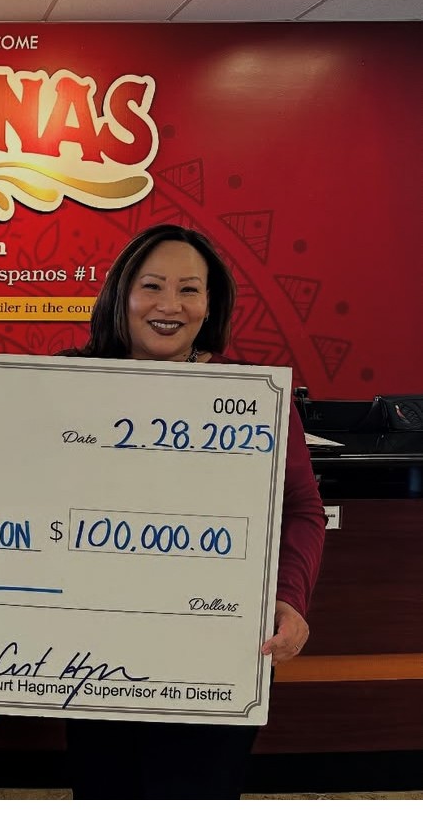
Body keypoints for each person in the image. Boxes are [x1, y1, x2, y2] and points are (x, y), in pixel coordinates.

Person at [59, 222, 327, 799]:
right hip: (89, 653)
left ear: (210, 305)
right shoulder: (62, 385)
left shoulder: (253, 397)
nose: (170, 305)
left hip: (213, 652)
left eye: (189, 290)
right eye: (152, 286)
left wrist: (289, 596)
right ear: (122, 295)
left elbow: (302, 509)